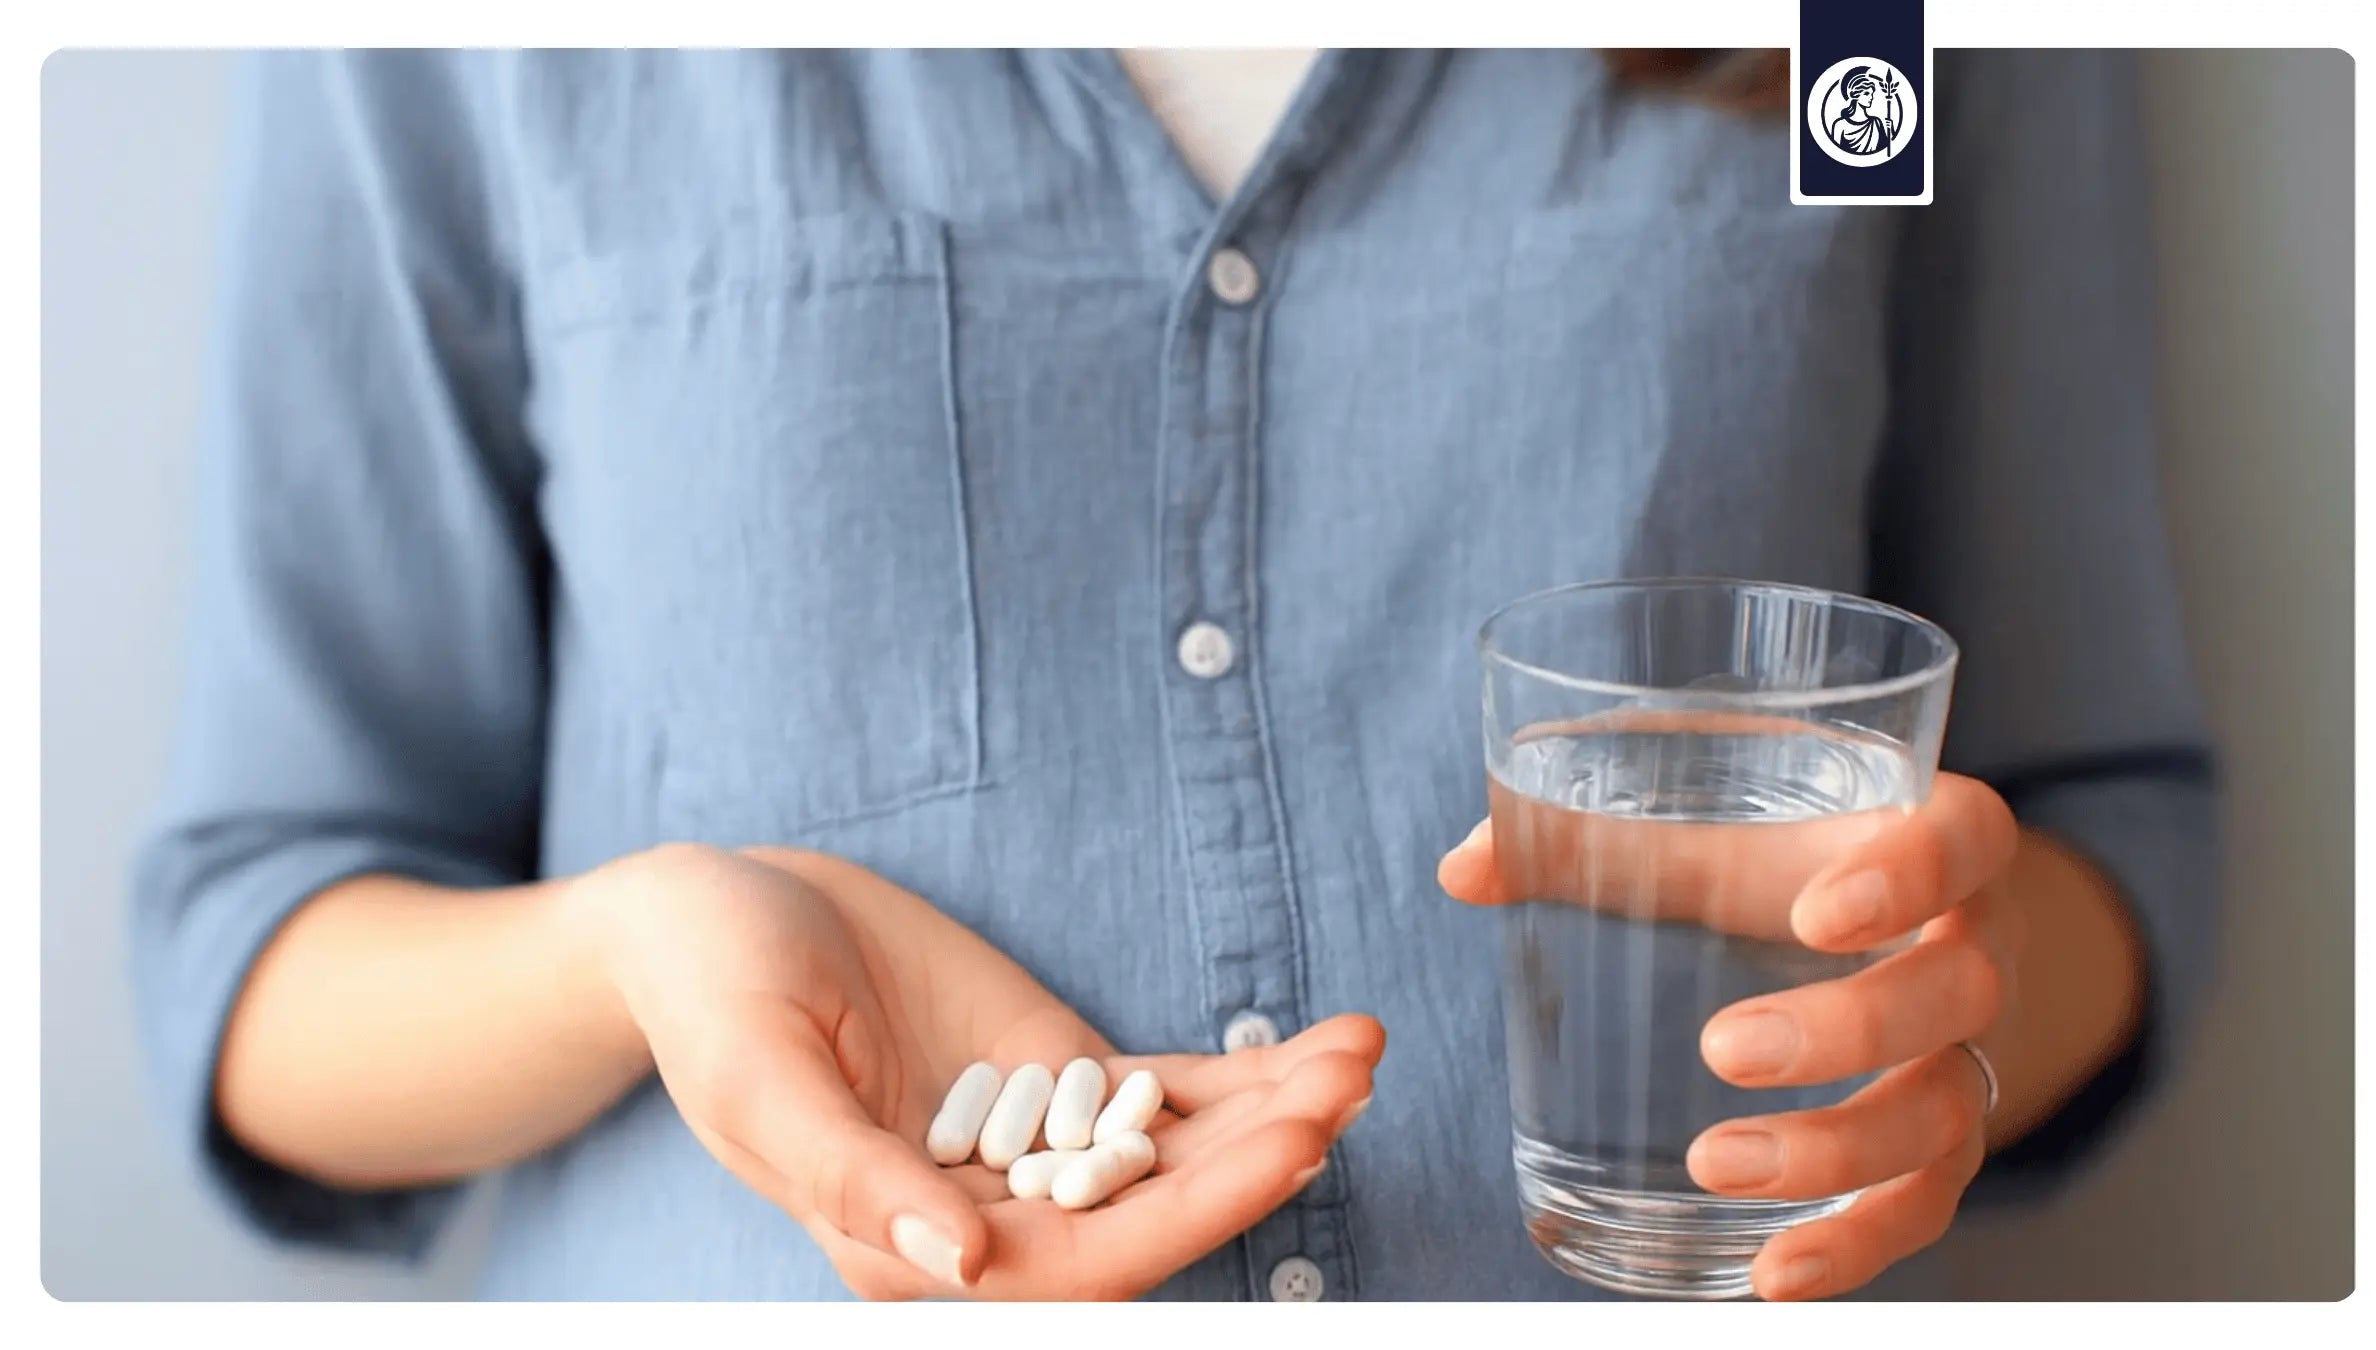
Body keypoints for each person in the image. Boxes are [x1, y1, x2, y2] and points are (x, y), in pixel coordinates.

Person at [129, 48, 2217, 1301]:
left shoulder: (1871, 44)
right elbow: (257, 941)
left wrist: (1946, 1005)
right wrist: (643, 950)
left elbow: (2103, 821)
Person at [1828, 63, 1900, 156]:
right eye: (1866, 94)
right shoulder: (1839, 125)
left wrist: (1891, 130)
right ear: (1855, 95)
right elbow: (1835, 153)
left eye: (1872, 94)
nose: (1871, 97)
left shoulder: (1876, 122)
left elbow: (1886, 152)